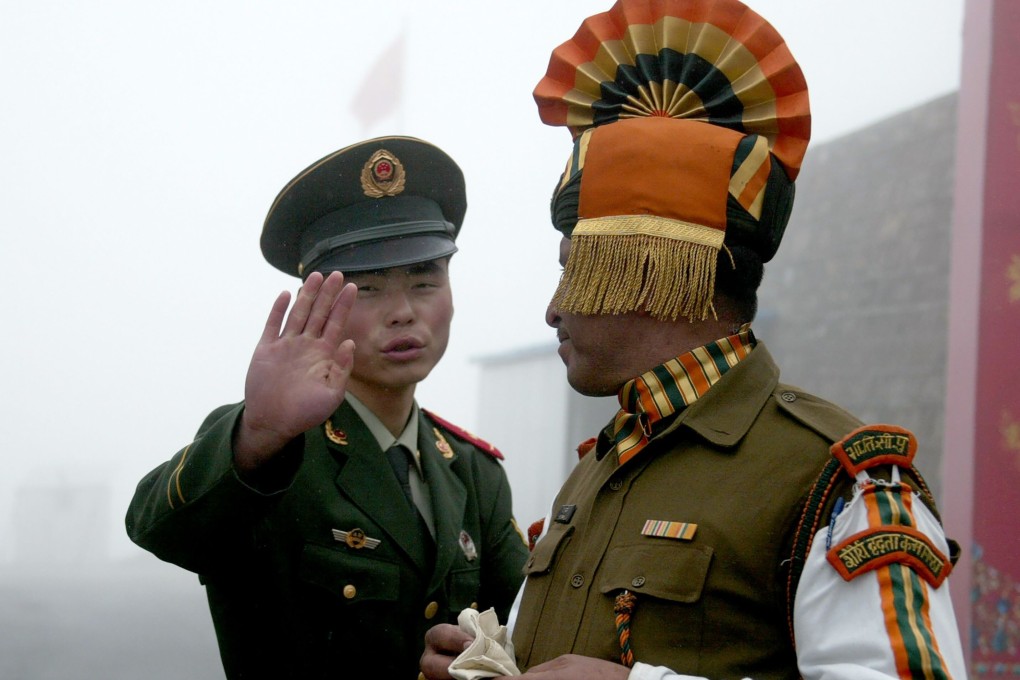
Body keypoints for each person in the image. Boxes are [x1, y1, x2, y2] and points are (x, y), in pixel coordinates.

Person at [420, 1, 966, 678]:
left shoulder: (840, 480)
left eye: (573, 270)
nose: (553, 310)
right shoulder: (596, 471)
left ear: (649, 268)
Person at [126, 136, 529, 679]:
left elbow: (529, 625)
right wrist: (259, 430)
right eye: (367, 289)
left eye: (425, 282)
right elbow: (158, 527)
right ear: (318, 307)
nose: (404, 312)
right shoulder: (271, 448)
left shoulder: (473, 472)